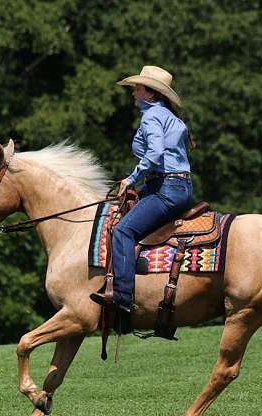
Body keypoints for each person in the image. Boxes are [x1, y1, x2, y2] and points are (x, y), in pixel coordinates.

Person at [91, 65, 193, 313]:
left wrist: (132, 178)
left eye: (137, 88)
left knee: (123, 231)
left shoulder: (152, 117)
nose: (133, 93)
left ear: (151, 93)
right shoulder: (169, 116)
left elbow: (155, 153)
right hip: (177, 186)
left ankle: (122, 296)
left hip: (166, 188)